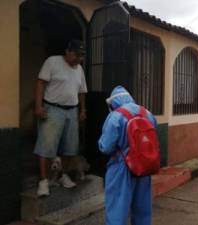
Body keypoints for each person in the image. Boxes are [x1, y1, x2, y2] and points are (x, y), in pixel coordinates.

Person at [34, 40, 87, 196]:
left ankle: (61, 176)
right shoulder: (53, 62)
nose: (78, 59)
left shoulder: (79, 69)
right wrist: (38, 106)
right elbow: (40, 84)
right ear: (67, 51)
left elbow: (82, 91)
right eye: (76, 55)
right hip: (53, 109)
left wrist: (83, 109)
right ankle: (43, 181)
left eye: (81, 56)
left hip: (72, 111)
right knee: (46, 146)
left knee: (70, 148)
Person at [98, 86, 156, 225]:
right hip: (144, 167)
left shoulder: (115, 116)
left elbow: (105, 147)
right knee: (143, 210)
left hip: (121, 168)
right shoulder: (147, 113)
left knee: (117, 211)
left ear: (113, 103)